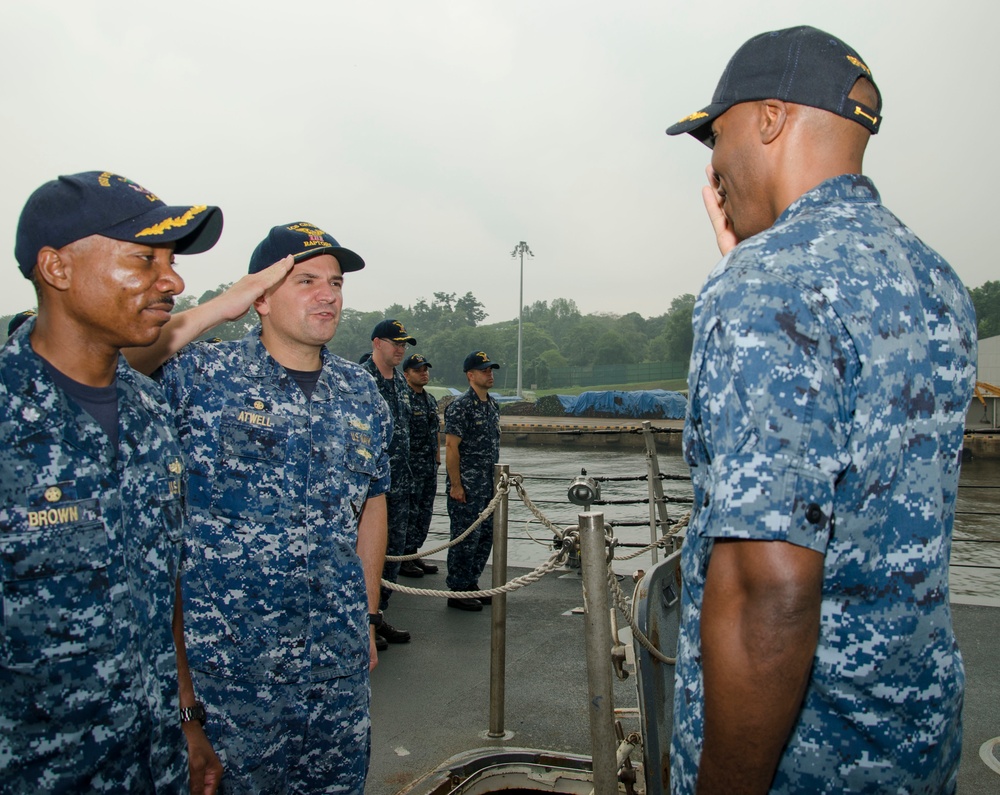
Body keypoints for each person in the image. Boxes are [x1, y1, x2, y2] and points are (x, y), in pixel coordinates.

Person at [664, 26, 977, 794]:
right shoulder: (938, 280)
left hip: (805, 761)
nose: (712, 162)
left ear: (769, 119)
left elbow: (768, 586)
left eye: (719, 129)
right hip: (911, 745)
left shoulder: (766, 288)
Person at [124, 221, 391, 794]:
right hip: (228, 669)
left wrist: (368, 616)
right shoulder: (200, 375)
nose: (329, 295)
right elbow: (102, 367)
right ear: (261, 298)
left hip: (335, 664)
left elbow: (372, 504)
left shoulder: (361, 391)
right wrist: (220, 306)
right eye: (306, 281)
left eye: (336, 283)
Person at [1, 170, 223, 792]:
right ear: (57, 268)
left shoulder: (152, 414)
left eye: (171, 260)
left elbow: (163, 587)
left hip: (152, 760)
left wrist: (186, 717)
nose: (173, 280)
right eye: (143, 259)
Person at [361, 320, 416, 645]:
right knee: (365, 555)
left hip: (401, 484)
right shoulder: (359, 381)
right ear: (377, 342)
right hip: (368, 489)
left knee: (393, 553)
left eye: (404, 344)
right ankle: (360, 621)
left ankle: (378, 615)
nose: (400, 349)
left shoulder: (400, 383)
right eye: (395, 343)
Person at [444, 351, 501, 611]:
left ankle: (471, 583)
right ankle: (457, 590)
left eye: (490, 370)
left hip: (488, 486)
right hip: (466, 485)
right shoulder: (460, 407)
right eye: (484, 370)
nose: (489, 374)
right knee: (464, 538)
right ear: (470, 375)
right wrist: (456, 485)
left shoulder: (492, 406)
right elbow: (451, 448)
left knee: (484, 537)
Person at [399, 353, 440, 577]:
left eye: (425, 369)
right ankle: (403, 557)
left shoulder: (430, 400)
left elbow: (435, 432)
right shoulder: (402, 399)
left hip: (428, 467)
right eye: (418, 370)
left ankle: (414, 553)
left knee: (424, 512)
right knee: (408, 513)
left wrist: (437, 459)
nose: (424, 373)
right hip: (409, 467)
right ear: (406, 374)